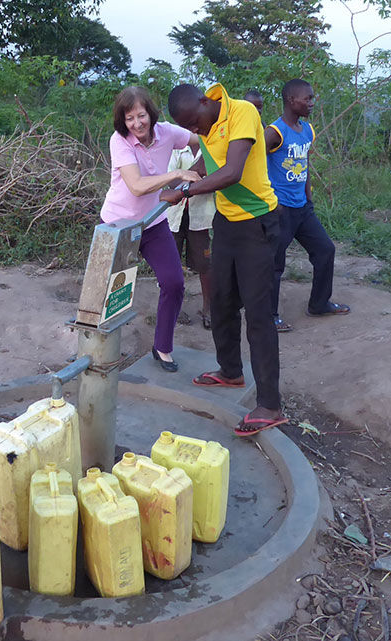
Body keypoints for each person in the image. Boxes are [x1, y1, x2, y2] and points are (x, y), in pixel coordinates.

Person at [161, 83, 287, 436]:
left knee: (258, 313)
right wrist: (186, 174)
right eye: (190, 128)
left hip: (257, 223)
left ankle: (270, 404)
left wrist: (185, 191)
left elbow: (231, 170)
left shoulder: (243, 112)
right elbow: (209, 161)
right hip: (227, 223)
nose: (196, 132)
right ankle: (230, 371)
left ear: (205, 101)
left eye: (195, 123)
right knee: (222, 301)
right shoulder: (206, 126)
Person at [100, 86, 201, 372]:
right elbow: (136, 185)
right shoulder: (120, 141)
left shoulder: (168, 132)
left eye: (141, 115)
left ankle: (162, 347)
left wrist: (199, 165)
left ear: (151, 113)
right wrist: (177, 174)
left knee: (173, 282)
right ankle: (98, 348)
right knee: (109, 289)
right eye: (129, 118)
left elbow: (200, 138)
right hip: (117, 224)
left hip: (153, 223)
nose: (137, 124)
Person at [265, 79, 350, 332]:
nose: (312, 103)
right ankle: (268, 316)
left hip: (302, 208)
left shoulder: (307, 130)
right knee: (274, 264)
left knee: (325, 250)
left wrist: (309, 197)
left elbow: (305, 165)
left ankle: (319, 303)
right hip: (280, 210)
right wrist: (269, 200)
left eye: (312, 98)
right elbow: (252, 161)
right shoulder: (275, 132)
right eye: (307, 99)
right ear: (292, 101)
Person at [166, 145, 215, 330]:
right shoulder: (177, 148)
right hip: (174, 215)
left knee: (205, 264)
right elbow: (170, 183)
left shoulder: (211, 147)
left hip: (201, 216)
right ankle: (173, 308)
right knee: (171, 263)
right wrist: (198, 172)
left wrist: (185, 178)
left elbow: (216, 182)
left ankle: (208, 309)